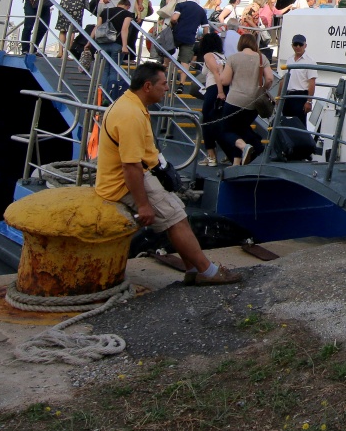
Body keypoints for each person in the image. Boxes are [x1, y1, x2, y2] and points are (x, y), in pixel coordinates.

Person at [94, 61, 241, 285]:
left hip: (134, 176)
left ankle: (193, 268)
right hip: (124, 184)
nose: (167, 89)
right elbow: (130, 167)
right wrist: (143, 205)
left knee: (177, 213)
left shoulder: (129, 105)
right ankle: (207, 271)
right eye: (163, 84)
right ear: (147, 86)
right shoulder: (130, 115)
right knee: (176, 219)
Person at [216, 33, 274, 164]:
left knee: (225, 130)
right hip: (253, 103)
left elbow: (225, 81)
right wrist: (263, 89)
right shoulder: (262, 58)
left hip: (234, 101)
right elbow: (270, 78)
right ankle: (237, 163)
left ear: (240, 43)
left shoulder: (233, 58)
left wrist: (220, 70)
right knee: (241, 130)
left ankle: (245, 146)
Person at [195, 31, 228, 166]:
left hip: (214, 88)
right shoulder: (224, 57)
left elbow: (215, 73)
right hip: (226, 89)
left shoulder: (208, 55)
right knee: (219, 121)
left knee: (206, 121)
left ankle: (211, 155)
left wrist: (219, 91)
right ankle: (227, 152)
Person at [97, 0, 135, 101]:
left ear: (118, 4)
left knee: (104, 70)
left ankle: (100, 95)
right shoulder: (127, 14)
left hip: (103, 43)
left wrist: (89, 42)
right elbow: (124, 29)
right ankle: (109, 95)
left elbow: (97, 27)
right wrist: (124, 45)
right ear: (127, 6)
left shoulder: (105, 11)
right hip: (117, 44)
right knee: (114, 70)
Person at [282, 34, 318, 124]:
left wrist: (309, 101)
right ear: (292, 45)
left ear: (305, 45)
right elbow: (283, 80)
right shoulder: (289, 60)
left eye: (300, 45)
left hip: (300, 97)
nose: (298, 47)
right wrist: (280, 97)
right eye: (295, 44)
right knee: (286, 124)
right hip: (288, 96)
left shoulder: (310, 61)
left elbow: (312, 83)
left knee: (299, 125)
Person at [171, 0, 207, 67]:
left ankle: (167, 69)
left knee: (170, 53)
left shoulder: (181, 5)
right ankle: (183, 79)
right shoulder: (201, 10)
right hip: (190, 37)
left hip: (177, 34)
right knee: (185, 61)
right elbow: (205, 28)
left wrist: (174, 23)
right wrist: (204, 38)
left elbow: (174, 18)